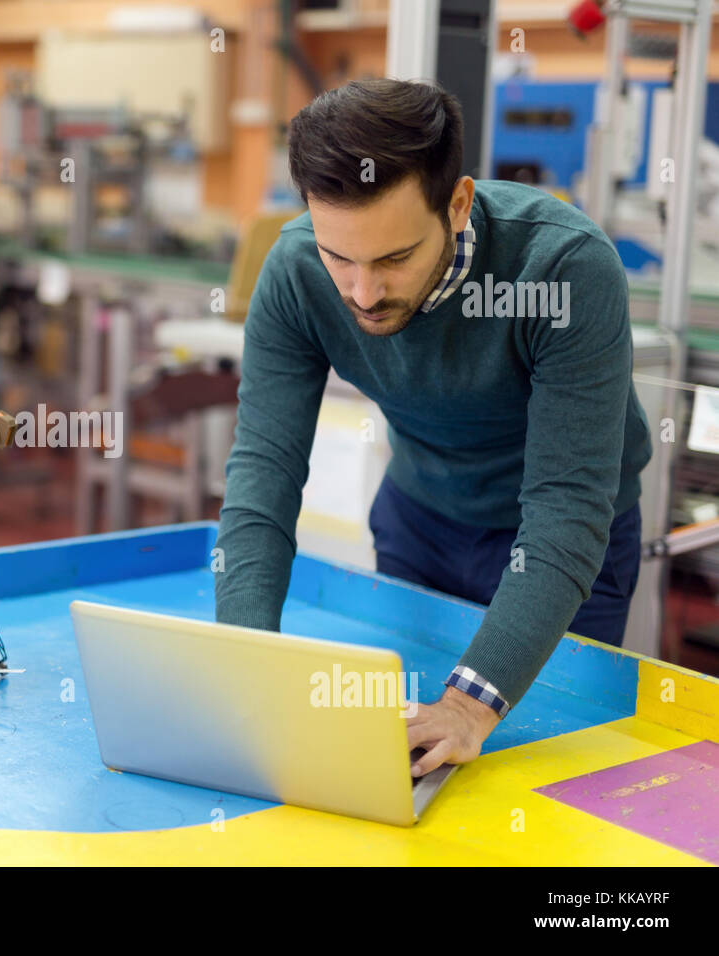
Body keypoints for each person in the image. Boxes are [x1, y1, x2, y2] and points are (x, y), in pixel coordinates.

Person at [214, 79, 652, 778]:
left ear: (458, 203)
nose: (363, 292)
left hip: (565, 548)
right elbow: (264, 469)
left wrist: (472, 704)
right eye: (340, 258)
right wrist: (244, 658)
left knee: (548, 781)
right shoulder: (297, 270)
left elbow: (568, 509)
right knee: (408, 762)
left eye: (393, 259)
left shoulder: (564, 267)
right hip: (420, 523)